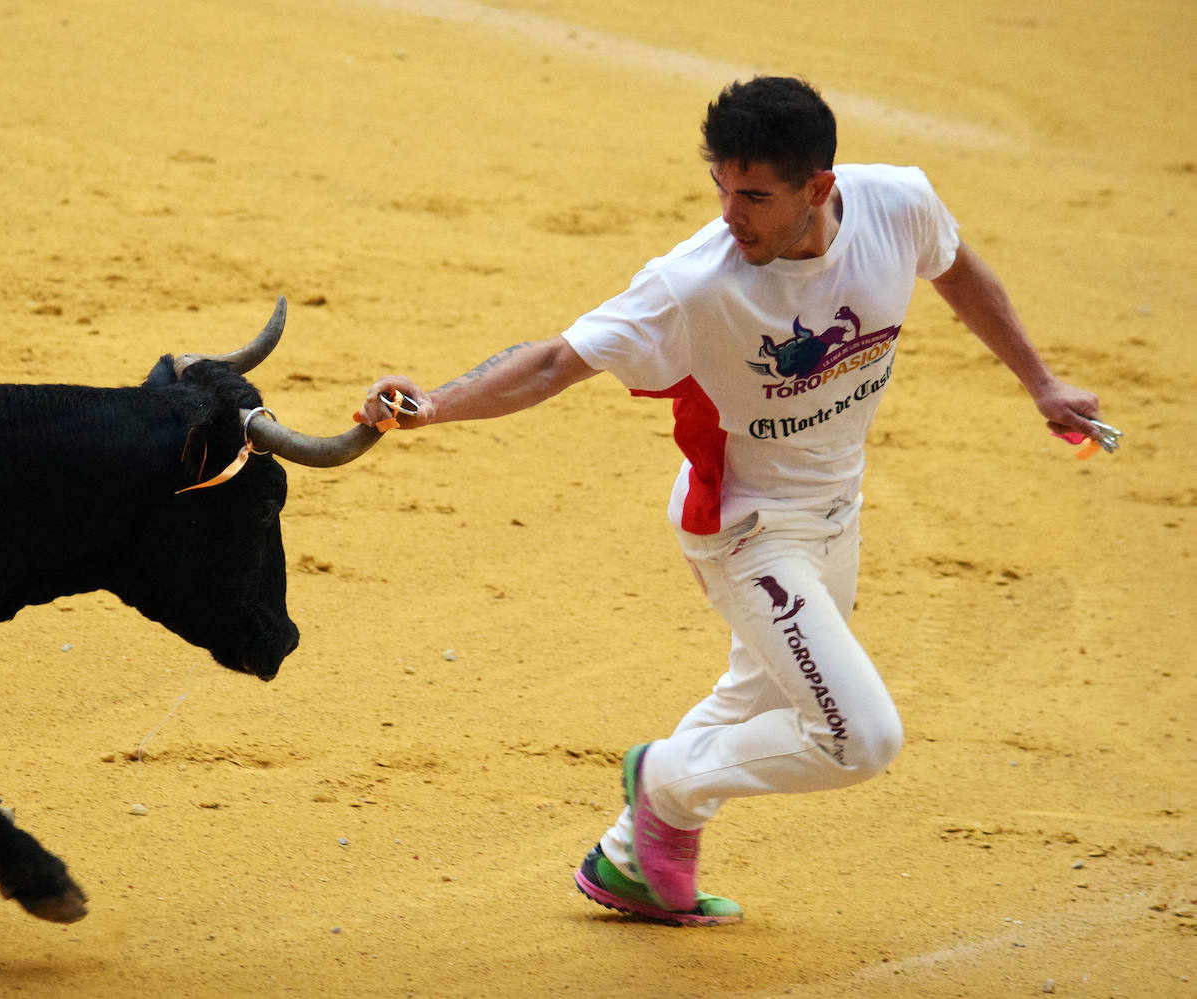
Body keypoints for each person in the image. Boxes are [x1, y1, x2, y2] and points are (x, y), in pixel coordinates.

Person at [355, 76, 1104, 925]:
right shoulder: (693, 282)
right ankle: (664, 782)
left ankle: (631, 859)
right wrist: (435, 406)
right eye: (720, 185)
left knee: (763, 697)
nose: (728, 212)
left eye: (753, 194)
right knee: (859, 737)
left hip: (836, 512)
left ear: (820, 188)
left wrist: (1040, 381)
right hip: (745, 530)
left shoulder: (900, 203)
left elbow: (959, 272)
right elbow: (554, 363)